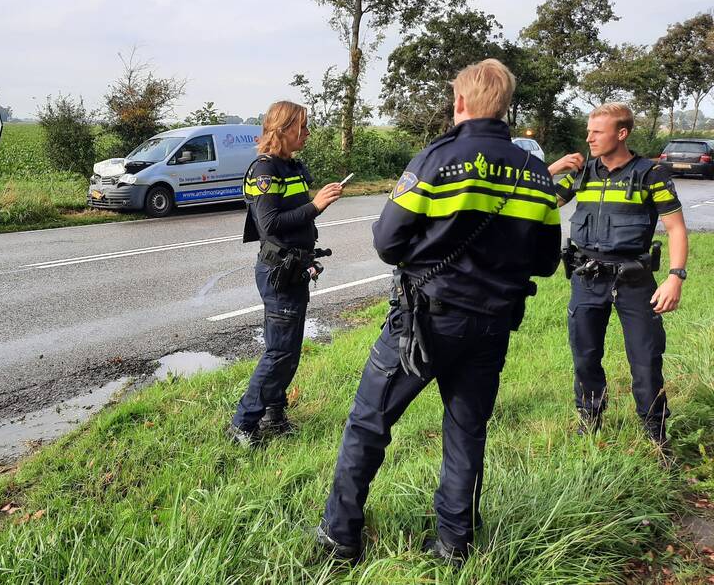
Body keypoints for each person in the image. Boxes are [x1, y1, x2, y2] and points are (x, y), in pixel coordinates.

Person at [315, 59, 561, 564]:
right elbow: (545, 261)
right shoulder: (536, 172)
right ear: (506, 105)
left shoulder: (436, 159)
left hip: (425, 321)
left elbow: (386, 242)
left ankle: (340, 537)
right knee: (467, 431)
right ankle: (454, 544)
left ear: (461, 103)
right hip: (493, 323)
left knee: (369, 423)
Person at [548, 103, 687, 448]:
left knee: (645, 358)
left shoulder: (651, 174)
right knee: (584, 355)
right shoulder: (582, 172)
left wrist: (675, 277)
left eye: (597, 132)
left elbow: (676, 229)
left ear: (621, 134)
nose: (589, 138)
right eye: (588, 131)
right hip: (586, 277)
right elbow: (540, 202)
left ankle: (655, 433)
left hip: (634, 281)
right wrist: (552, 167)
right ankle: (589, 420)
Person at [227, 100, 343, 448]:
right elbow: (271, 225)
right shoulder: (264, 171)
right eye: (302, 127)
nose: (307, 134)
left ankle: (273, 415)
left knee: (287, 350)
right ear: (284, 128)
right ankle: (242, 424)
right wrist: (316, 205)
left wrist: (313, 208)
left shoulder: (290, 167)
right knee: (279, 352)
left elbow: (297, 215)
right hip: (278, 271)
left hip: (295, 270)